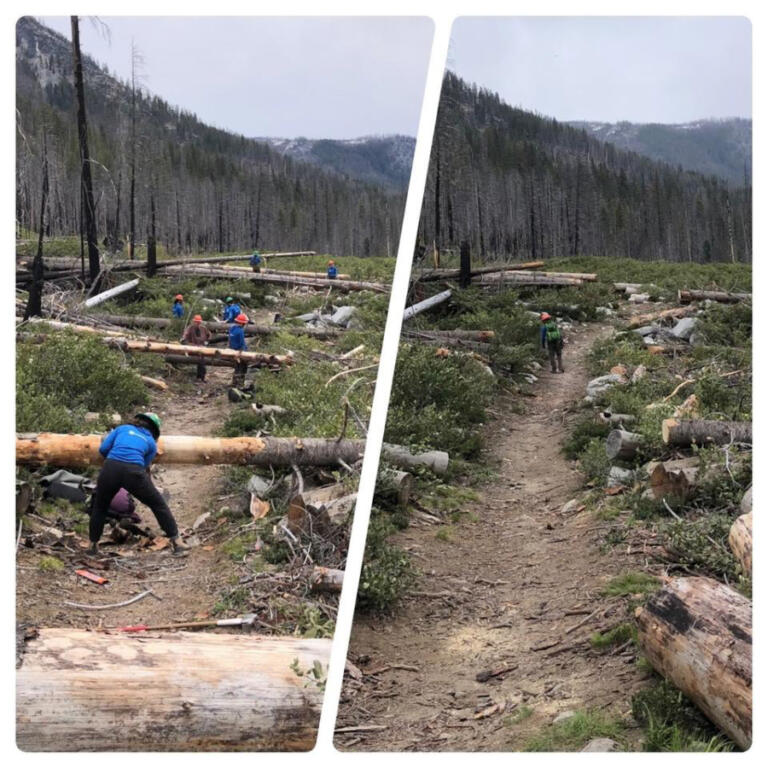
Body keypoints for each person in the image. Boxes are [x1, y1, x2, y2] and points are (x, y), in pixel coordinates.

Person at [88, 413, 189, 556]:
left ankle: (92, 546)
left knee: (100, 506)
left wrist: (116, 460)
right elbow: (145, 464)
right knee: (158, 504)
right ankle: (177, 543)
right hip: (133, 472)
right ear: (154, 430)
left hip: (110, 468)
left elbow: (103, 449)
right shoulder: (151, 442)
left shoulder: (122, 429)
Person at [181, 314, 212, 381]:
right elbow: (184, 338)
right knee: (201, 361)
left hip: (202, 348)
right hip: (192, 348)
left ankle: (201, 376)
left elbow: (209, 335)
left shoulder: (203, 328)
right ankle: (201, 376)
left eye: (199, 322)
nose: (197, 323)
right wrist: (189, 345)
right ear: (193, 322)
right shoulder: (189, 328)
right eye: (196, 322)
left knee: (201, 360)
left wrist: (207, 342)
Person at [229, 312, 249, 387]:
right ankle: (239, 383)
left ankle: (234, 382)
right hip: (240, 352)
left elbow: (230, 340)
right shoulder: (240, 331)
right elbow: (241, 343)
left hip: (233, 350)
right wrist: (240, 353)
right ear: (242, 323)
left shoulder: (232, 328)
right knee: (242, 367)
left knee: (237, 367)